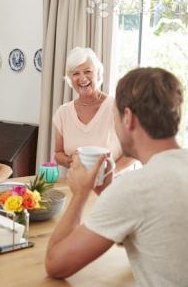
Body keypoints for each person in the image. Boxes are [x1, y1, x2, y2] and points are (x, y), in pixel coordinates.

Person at [45, 67, 188, 286]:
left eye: (115, 119)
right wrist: (108, 193)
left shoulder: (136, 187)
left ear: (128, 118)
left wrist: (81, 194)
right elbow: (150, 236)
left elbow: (55, 264)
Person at [53, 47, 133, 175]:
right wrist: (70, 161)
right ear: (70, 78)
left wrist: (110, 174)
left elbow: (134, 152)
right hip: (77, 186)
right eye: (76, 73)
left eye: (88, 71)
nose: (82, 78)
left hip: (112, 187)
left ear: (98, 73)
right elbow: (58, 153)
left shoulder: (117, 107)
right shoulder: (63, 113)